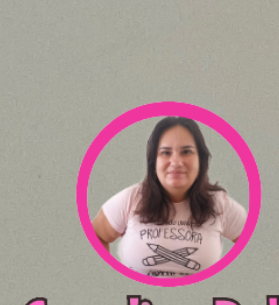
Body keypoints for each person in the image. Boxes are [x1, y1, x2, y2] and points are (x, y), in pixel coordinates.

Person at [92, 117, 247, 277]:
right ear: (154, 162)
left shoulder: (220, 204)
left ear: (200, 160)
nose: (176, 162)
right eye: (165, 152)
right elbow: (95, 236)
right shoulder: (131, 198)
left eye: (186, 152)